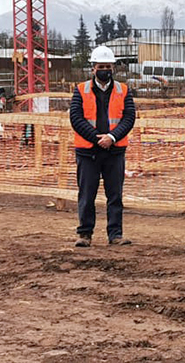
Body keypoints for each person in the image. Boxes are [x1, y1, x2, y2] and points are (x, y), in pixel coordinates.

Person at [69, 46, 136, 247]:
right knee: (87, 194)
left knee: (114, 195)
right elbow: (76, 117)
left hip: (114, 151)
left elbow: (129, 117)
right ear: (93, 68)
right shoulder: (81, 90)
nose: (104, 69)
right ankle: (85, 234)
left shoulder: (123, 90)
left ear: (113, 68)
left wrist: (112, 137)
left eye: (108, 66)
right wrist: (97, 138)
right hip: (88, 151)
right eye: (101, 66)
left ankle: (115, 234)